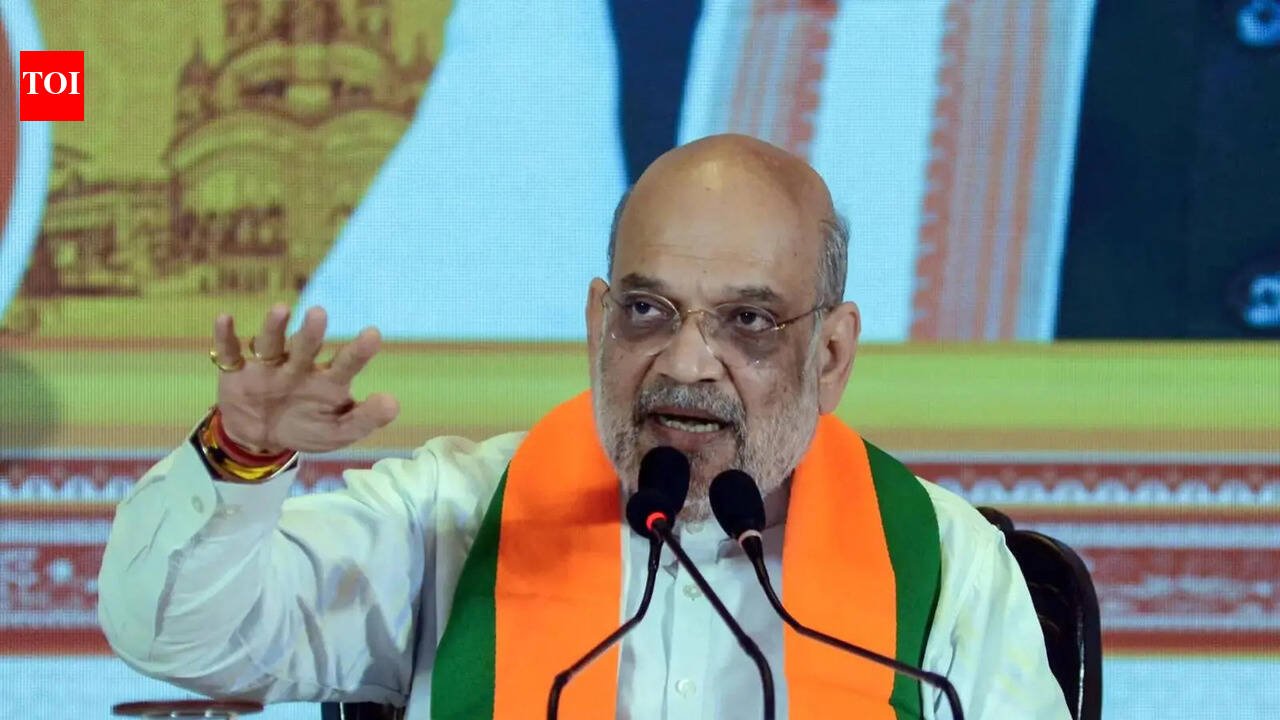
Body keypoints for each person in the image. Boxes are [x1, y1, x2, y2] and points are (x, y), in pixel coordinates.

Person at [98, 135, 1070, 719]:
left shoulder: (945, 564)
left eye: (747, 321)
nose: (686, 363)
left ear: (830, 355)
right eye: (647, 311)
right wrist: (241, 458)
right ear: (598, 321)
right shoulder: (455, 516)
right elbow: (177, 637)